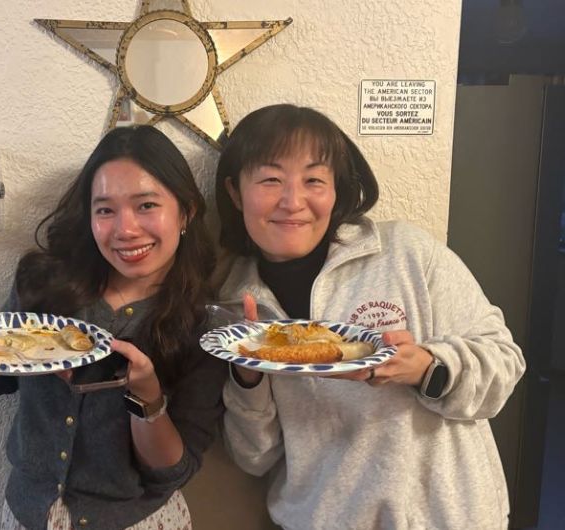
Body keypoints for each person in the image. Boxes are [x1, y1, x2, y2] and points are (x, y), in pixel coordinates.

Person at [214, 104, 526, 530]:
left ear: (336, 190)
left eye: (314, 180)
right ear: (235, 192)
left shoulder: (406, 253)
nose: (292, 201)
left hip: (449, 518)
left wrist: (428, 368)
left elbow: (505, 363)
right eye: (270, 179)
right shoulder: (234, 307)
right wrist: (248, 377)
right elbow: (254, 457)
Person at [0, 126, 225, 530]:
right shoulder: (43, 281)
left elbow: (171, 471)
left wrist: (147, 399)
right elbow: (0, 381)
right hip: (28, 514)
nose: (125, 229)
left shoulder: (204, 325)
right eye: (105, 209)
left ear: (186, 212)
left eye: (146, 205)